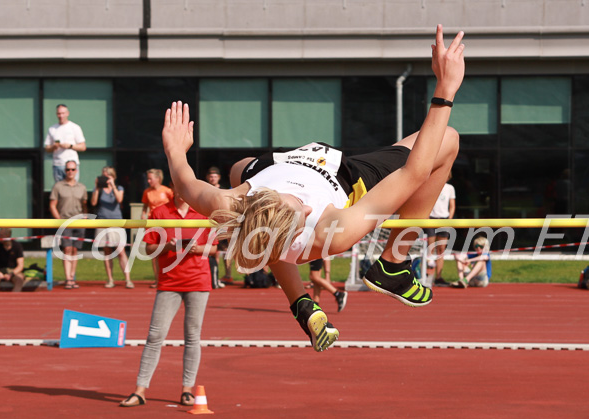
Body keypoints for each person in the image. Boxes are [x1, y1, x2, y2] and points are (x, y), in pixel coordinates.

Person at [162, 25, 465, 352]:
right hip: (344, 176)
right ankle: (393, 263)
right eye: (302, 215)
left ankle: (302, 305)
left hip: (278, 164)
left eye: (291, 205)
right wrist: (445, 90)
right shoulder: (331, 231)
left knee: (239, 169)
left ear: (260, 201)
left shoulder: (234, 201)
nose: (306, 207)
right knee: (447, 140)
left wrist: (175, 150)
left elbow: (185, 182)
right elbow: (414, 173)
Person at [120, 181, 218, 407]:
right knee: (155, 336)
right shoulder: (160, 213)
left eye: (187, 187)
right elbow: (148, 248)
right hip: (170, 281)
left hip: (198, 280)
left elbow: (213, 248)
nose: (183, 191)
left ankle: (187, 389)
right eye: (179, 186)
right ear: (172, 188)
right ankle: (140, 390)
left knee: (192, 337)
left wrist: (196, 248)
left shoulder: (203, 213)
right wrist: (169, 246)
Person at [91, 166, 134, 289]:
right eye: (102, 177)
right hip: (102, 222)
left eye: (106, 177)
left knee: (121, 251)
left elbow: (119, 199)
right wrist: (97, 187)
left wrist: (113, 185)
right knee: (107, 252)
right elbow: (93, 203)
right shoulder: (99, 189)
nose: (104, 179)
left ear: (112, 176)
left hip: (116, 223)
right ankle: (110, 279)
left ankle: (128, 279)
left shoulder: (119, 187)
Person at [50, 160, 88, 289]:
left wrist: (85, 217)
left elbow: (84, 206)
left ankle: (72, 277)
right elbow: (52, 205)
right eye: (68, 170)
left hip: (79, 222)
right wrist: (59, 220)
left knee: (75, 250)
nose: (70, 172)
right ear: (64, 171)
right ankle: (68, 278)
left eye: (72, 169)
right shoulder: (58, 186)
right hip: (65, 222)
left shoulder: (82, 187)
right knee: (67, 249)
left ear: (76, 171)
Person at [141, 168, 174, 288]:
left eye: (151, 178)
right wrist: (143, 216)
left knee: (168, 250)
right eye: (148, 179)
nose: (149, 181)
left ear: (158, 179)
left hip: (166, 223)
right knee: (154, 251)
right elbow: (145, 206)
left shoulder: (168, 191)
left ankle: (168, 276)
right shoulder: (147, 192)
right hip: (153, 223)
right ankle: (157, 278)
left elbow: (173, 205)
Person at [44, 104, 86, 183]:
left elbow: (83, 147)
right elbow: (47, 148)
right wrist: (54, 147)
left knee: (72, 190)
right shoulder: (52, 129)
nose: (61, 115)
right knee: (60, 190)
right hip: (58, 164)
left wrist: (70, 146)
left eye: (63, 113)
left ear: (67, 113)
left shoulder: (74, 127)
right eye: (59, 113)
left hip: (71, 165)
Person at [425, 177, 456, 286]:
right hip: (432, 219)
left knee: (441, 249)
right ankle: (427, 276)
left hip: (444, 219)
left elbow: (452, 206)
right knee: (431, 247)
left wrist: (449, 220)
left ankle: (439, 277)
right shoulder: (432, 185)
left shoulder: (449, 188)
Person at [206, 166, 233, 286]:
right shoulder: (205, 190)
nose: (213, 178)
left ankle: (228, 275)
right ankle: (214, 276)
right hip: (207, 223)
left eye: (215, 176)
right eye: (211, 176)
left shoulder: (224, 191)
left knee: (226, 250)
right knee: (214, 250)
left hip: (221, 223)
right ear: (208, 178)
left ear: (219, 178)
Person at [0, 228, 25, 293]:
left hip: (13, 271)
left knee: (20, 279)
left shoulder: (17, 246)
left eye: (1, 235)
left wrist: (11, 274)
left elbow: (20, 266)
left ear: (8, 235)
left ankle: (14, 300)